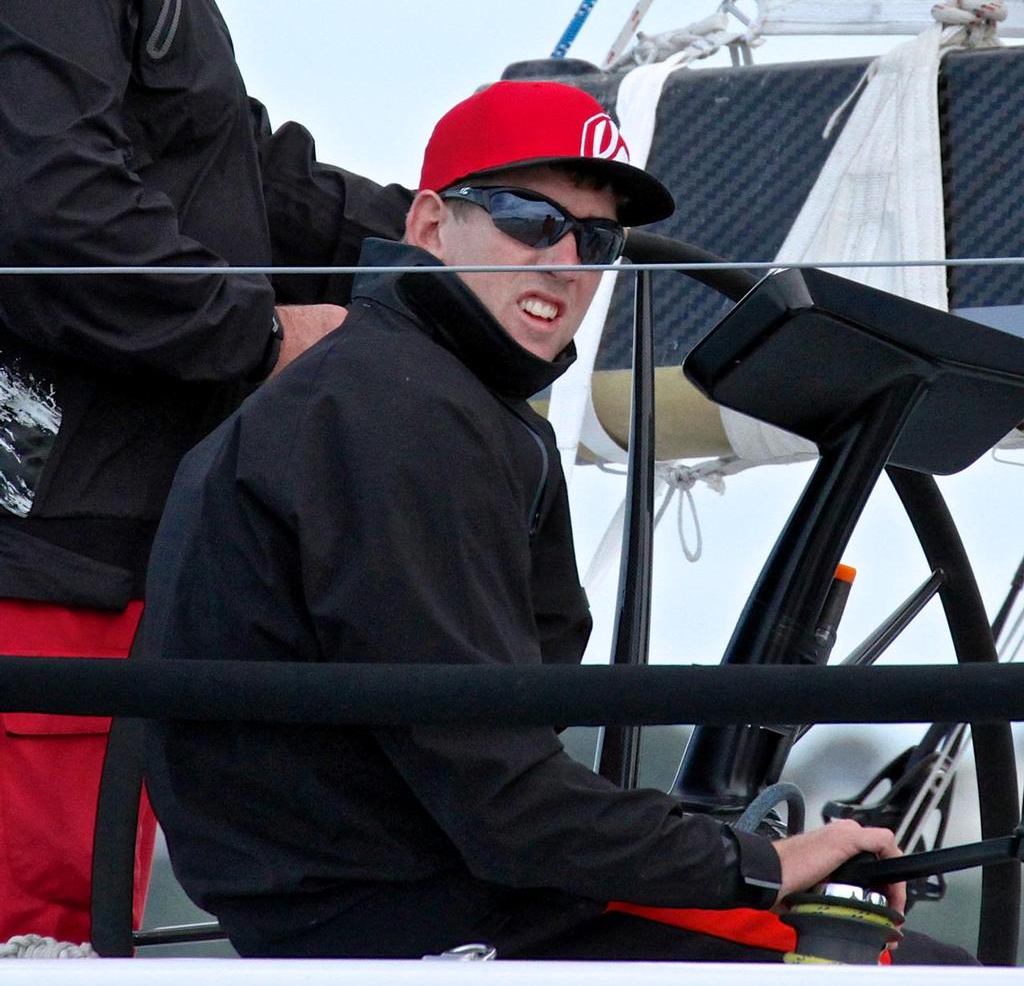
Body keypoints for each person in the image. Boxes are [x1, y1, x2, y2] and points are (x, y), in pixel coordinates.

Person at [142, 80, 970, 963]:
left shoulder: (421, 396)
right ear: (428, 226)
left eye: (598, 238)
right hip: (412, 916)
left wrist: (720, 853)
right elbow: (496, 796)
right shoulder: (399, 417)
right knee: (911, 966)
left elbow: (484, 770)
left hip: (399, 888)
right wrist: (757, 861)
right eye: (526, 218)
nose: (567, 262)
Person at [0, 0, 410, 946]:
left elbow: (237, 172)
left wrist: (446, 246)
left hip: (109, 556)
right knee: (43, 942)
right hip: (43, 556)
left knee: (79, 935)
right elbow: (56, 213)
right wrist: (262, 333)